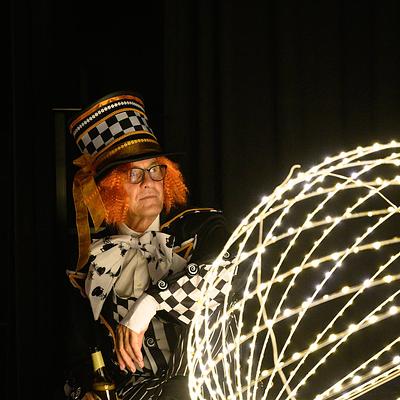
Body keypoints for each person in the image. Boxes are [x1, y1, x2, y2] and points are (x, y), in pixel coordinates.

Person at [63, 90, 237, 400]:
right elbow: (79, 355)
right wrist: (85, 391)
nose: (148, 182)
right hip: (139, 391)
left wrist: (149, 304)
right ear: (109, 189)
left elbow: (222, 278)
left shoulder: (203, 226)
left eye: (155, 170)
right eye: (134, 174)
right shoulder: (91, 261)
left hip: (211, 385)